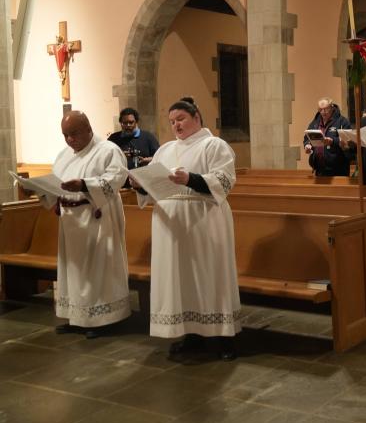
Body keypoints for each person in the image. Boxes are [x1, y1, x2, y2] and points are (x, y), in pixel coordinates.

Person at [132, 97, 241, 360]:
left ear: (196, 117)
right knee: (180, 279)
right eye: (171, 122)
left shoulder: (214, 145)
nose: (176, 125)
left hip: (203, 220)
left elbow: (224, 181)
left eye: (180, 119)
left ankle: (222, 336)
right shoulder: (165, 150)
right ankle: (190, 332)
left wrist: (189, 178)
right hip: (171, 224)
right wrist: (140, 184)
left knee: (209, 275)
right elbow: (155, 181)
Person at [36, 111, 131, 339]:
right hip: (71, 223)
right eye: (65, 135)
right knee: (74, 271)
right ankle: (77, 317)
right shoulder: (64, 155)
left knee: (98, 270)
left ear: (88, 128)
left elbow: (116, 179)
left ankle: (104, 319)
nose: (70, 140)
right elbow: (55, 185)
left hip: (98, 220)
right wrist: (41, 190)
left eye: (74, 134)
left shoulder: (108, 151)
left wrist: (84, 185)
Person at [303, 98, 353, 176]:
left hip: (338, 170)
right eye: (320, 109)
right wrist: (307, 145)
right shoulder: (315, 122)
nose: (323, 112)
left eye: (325, 109)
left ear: (332, 108)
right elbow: (307, 137)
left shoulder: (342, 121)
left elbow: (348, 141)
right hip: (319, 168)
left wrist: (332, 141)